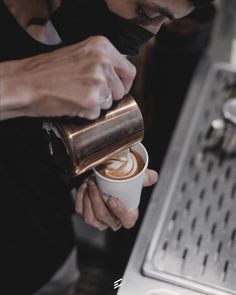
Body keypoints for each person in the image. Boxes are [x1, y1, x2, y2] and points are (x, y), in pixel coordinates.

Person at [0, 0, 213, 294]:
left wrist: (90, 165)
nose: (147, 32)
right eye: (144, 11)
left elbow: (39, 139)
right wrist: (26, 83)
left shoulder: (88, 25)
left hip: (45, 253)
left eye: (165, 21)